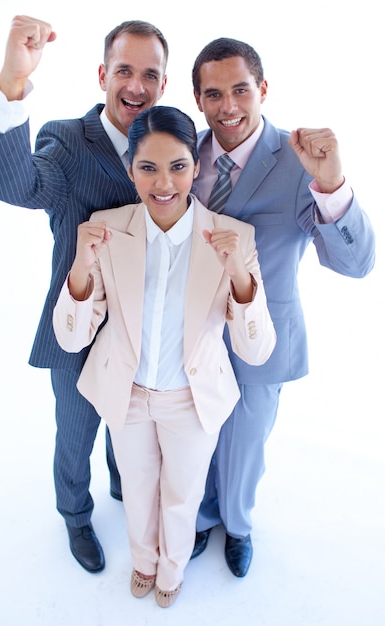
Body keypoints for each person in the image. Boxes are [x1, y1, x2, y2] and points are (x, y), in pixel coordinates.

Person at [52, 105, 276, 606]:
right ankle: (144, 563)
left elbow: (256, 350)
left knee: (182, 495)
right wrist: (82, 267)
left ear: (196, 167)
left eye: (177, 166)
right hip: (127, 393)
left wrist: (240, 275)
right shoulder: (107, 228)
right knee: (137, 489)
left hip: (189, 400)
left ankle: (172, 572)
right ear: (130, 170)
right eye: (148, 168)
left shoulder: (233, 237)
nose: (163, 183)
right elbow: (71, 337)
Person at [0, 15, 168, 573]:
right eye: (123, 71)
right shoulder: (67, 141)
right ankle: (74, 513)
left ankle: (122, 482)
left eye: (149, 74)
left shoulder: (170, 144)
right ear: (102, 74)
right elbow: (17, 185)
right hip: (77, 330)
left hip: (145, 331)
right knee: (76, 432)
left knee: (129, 426)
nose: (135, 85)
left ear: (164, 83)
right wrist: (13, 82)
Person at [190, 38, 376, 578]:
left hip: (262, 335)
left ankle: (238, 525)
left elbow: (357, 263)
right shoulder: (185, 152)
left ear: (263, 89)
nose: (229, 106)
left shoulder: (300, 162)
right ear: (198, 99)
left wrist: (333, 183)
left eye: (241, 90)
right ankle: (201, 517)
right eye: (214, 94)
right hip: (191, 333)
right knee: (198, 430)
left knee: (245, 440)